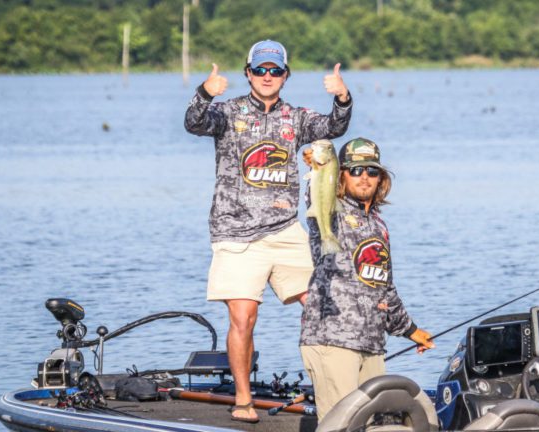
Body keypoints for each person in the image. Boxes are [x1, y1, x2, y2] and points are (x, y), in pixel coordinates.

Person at [184, 40, 352, 424]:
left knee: (322, 308)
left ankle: (336, 391)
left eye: (275, 71)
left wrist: (342, 97)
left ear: (285, 76)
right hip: (236, 233)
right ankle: (243, 400)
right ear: (248, 73)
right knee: (244, 318)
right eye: (260, 70)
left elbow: (334, 127)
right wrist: (204, 93)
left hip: (284, 230)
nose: (267, 77)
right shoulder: (227, 113)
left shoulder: (296, 117)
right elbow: (194, 123)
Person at [300, 138, 435, 421]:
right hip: (333, 340)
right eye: (356, 170)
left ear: (381, 178)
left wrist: (410, 330)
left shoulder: (378, 225)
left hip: (372, 344)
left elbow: (384, 287)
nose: (364, 177)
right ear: (341, 175)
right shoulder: (332, 210)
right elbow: (315, 194)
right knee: (341, 425)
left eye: (372, 172)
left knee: (372, 424)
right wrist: (316, 167)